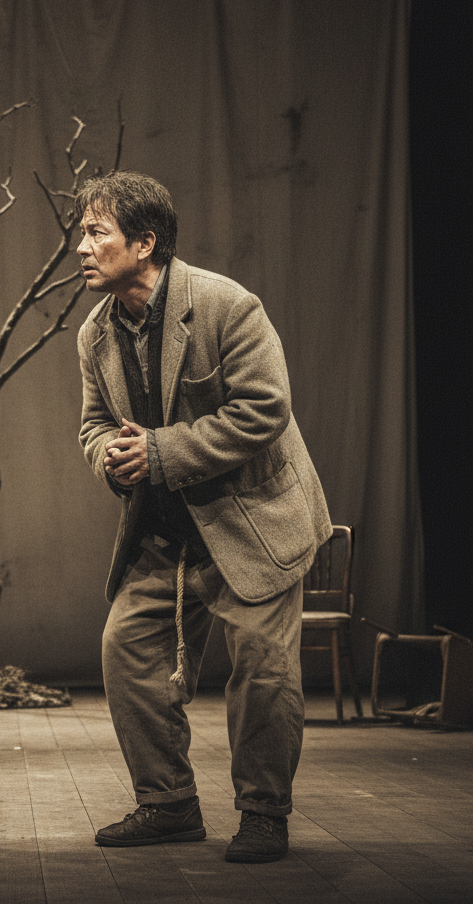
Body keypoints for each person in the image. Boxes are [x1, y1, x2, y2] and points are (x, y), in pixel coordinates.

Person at [75, 171, 330, 864]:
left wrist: (157, 452)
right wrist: (109, 458)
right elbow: (94, 424)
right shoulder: (97, 334)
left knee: (263, 666)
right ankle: (168, 804)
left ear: (145, 242)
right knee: (126, 650)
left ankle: (264, 813)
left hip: (252, 519)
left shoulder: (225, 305)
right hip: (166, 529)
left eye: (97, 232)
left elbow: (262, 409)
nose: (82, 246)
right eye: (84, 232)